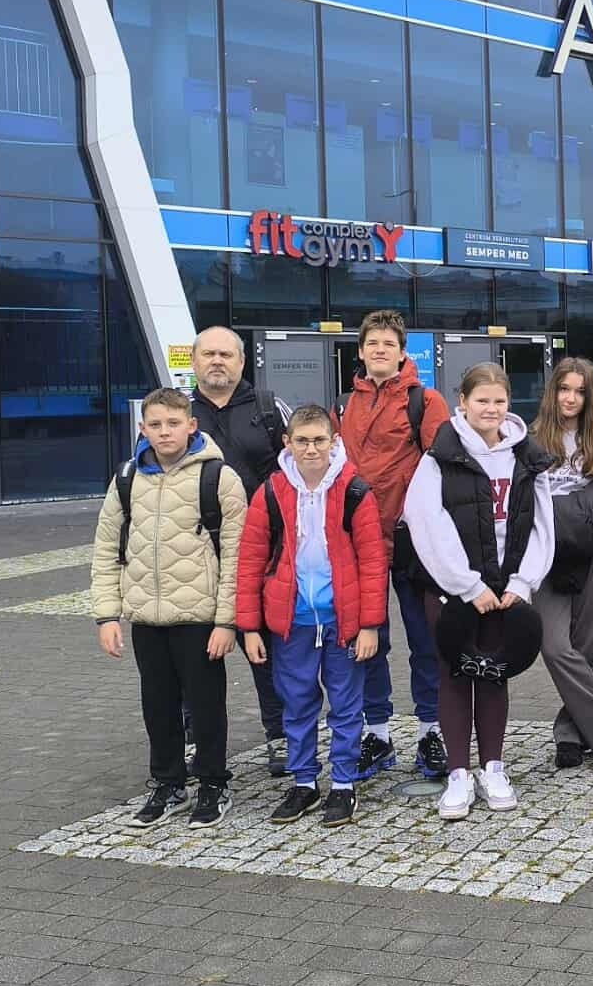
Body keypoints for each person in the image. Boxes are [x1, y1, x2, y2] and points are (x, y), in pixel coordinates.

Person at [404, 362, 556, 821]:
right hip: (452, 591)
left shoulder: (528, 457)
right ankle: (457, 773)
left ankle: (493, 768)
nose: (491, 409)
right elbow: (427, 523)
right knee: (454, 675)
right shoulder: (440, 456)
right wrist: (467, 585)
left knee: (493, 675)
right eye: (482, 400)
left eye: (499, 401)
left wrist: (522, 581)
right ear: (463, 403)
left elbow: (542, 525)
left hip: (505, 590)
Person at [92, 388, 248, 828]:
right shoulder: (127, 479)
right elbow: (106, 548)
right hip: (146, 615)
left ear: (191, 425)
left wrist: (227, 621)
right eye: (156, 425)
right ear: (142, 429)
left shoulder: (218, 477)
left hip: (200, 617)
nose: (165, 432)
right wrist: (107, 615)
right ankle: (168, 782)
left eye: (174, 423)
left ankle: (213, 782)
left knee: (206, 705)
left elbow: (237, 555)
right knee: (157, 705)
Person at [235, 406, 387, 828]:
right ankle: (304, 782)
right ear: (287, 443)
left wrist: (370, 625)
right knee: (297, 704)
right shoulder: (271, 492)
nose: (311, 449)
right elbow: (250, 561)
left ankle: (343, 783)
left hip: (343, 621)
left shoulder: (354, 490)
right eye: (301, 440)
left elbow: (373, 562)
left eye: (319, 440)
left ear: (334, 442)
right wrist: (249, 627)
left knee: (346, 705)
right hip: (293, 621)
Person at [338, 310, 452, 783]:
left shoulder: (425, 401)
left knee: (425, 640)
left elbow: (445, 465)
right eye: (373, 343)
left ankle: (431, 731)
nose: (380, 350)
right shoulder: (344, 405)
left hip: (411, 539)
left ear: (402, 352)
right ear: (361, 351)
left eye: (389, 343)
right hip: (358, 541)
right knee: (368, 641)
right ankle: (378, 733)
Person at [187, 325, 293, 777]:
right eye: (208, 354)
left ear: (242, 361)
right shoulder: (178, 413)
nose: (217, 361)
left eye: (226, 354)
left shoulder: (269, 409)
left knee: (266, 653)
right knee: (195, 656)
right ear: (194, 361)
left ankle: (281, 738)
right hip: (195, 558)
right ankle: (197, 742)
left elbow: (298, 474)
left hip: (262, 554)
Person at [532, 357, 593, 769]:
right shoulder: (532, 439)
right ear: (552, 391)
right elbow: (527, 503)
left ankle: (573, 732)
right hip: (546, 555)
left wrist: (555, 509)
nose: (570, 398)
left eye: (579, 391)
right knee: (555, 645)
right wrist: (572, 507)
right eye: (564, 389)